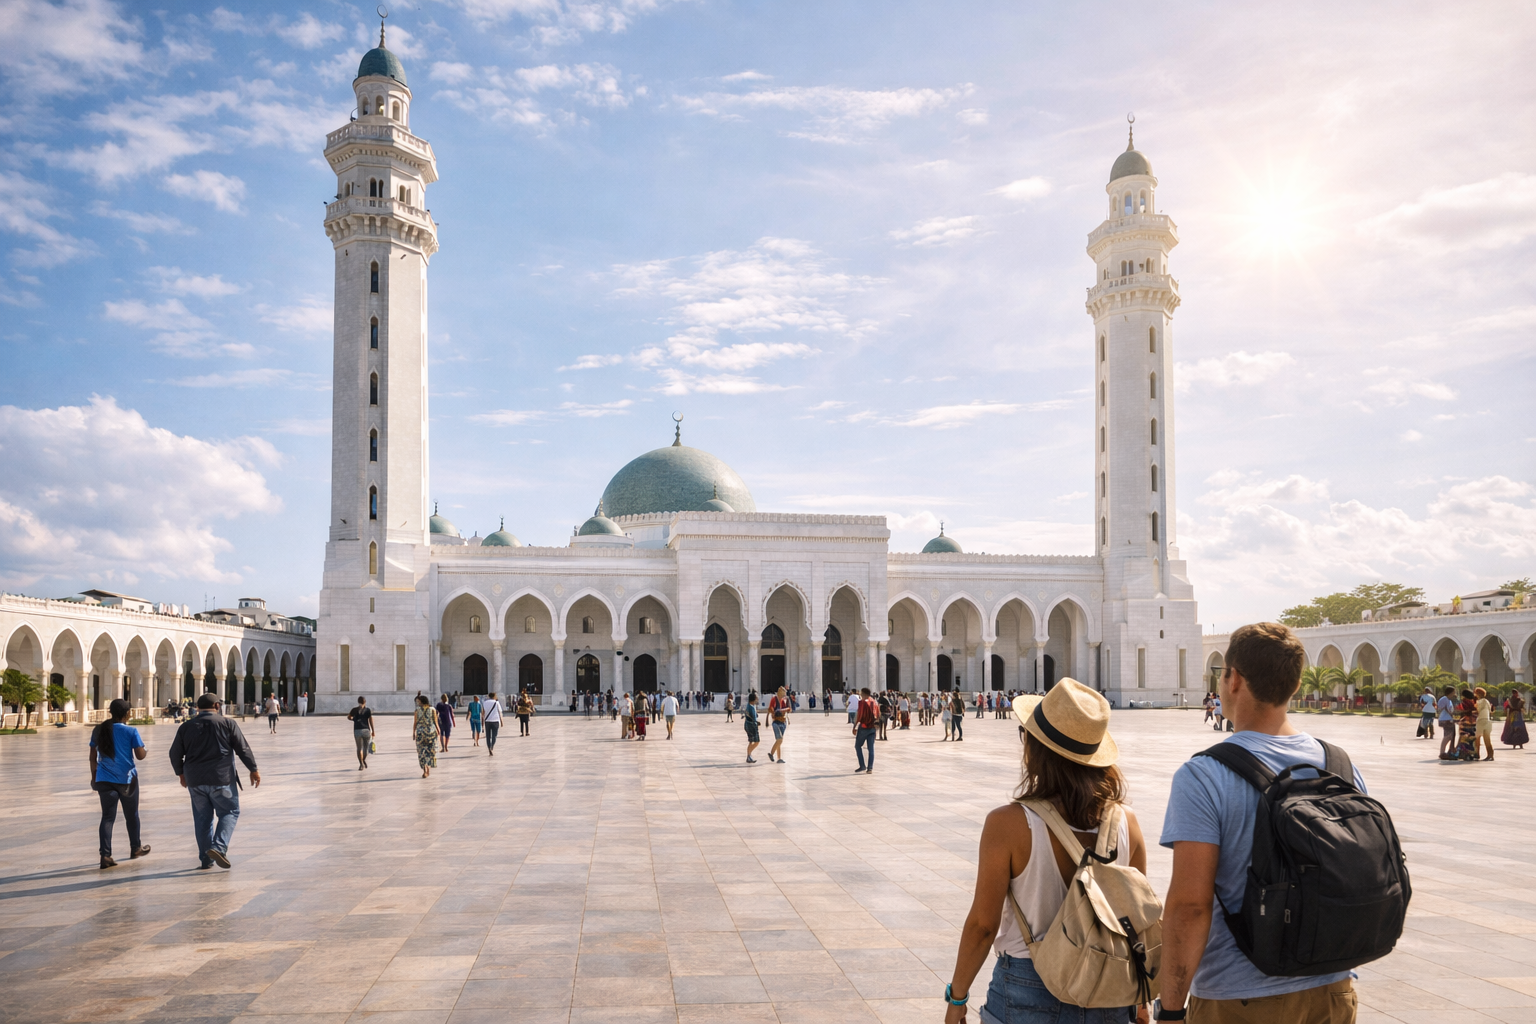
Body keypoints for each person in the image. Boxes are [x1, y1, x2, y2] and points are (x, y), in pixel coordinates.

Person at [1159, 622, 1364, 1024]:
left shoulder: (1204, 775)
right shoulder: (1340, 765)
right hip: (1332, 990)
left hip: (1239, 999)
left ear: (1233, 679)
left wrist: (1170, 1009)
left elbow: (1190, 907)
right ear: (1296, 684)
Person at [943, 680, 1146, 1024]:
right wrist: (1141, 1001)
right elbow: (1135, 920)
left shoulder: (1008, 824)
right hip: (1108, 990)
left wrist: (957, 997)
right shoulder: (1127, 822)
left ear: (1037, 749)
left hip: (1026, 987)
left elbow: (983, 925)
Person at [168, 692, 260, 870]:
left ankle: (206, 858)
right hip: (221, 778)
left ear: (197, 708)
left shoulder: (186, 727)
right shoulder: (227, 723)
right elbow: (242, 748)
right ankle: (218, 847)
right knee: (230, 811)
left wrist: (181, 774)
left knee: (202, 818)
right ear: (217, 706)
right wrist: (253, 769)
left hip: (195, 780)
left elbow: (174, 753)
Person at [90, 698, 149, 869]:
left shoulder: (99, 730)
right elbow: (140, 756)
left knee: (107, 817)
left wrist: (94, 777)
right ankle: (135, 848)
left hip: (104, 778)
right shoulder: (131, 731)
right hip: (126, 780)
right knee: (132, 815)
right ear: (127, 713)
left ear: (110, 712)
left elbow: (92, 757)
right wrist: (145, 749)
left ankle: (105, 855)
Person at [413, 694, 439, 777]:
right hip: (431, 734)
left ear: (421, 702)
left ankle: (425, 770)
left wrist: (413, 732)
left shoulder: (417, 711)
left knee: (421, 753)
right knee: (430, 752)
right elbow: (435, 722)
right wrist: (438, 730)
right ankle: (427, 769)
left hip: (420, 734)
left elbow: (415, 722)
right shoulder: (432, 709)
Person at [853, 687, 878, 774]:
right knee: (871, 748)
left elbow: (859, 715)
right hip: (873, 728)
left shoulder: (862, 703)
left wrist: (855, 726)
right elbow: (878, 714)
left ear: (864, 694)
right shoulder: (874, 702)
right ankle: (870, 768)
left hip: (864, 727)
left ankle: (862, 765)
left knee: (857, 746)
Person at [348, 696, 375, 770]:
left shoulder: (354, 710)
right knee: (366, 748)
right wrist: (373, 731)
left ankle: (361, 764)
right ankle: (363, 760)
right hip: (366, 730)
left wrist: (354, 719)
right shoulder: (368, 710)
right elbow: (370, 720)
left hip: (357, 730)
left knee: (359, 748)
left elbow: (349, 717)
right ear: (365, 702)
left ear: (358, 702)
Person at [767, 686, 790, 764]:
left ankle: (779, 758)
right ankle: (771, 753)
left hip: (783, 722)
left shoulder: (783, 700)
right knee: (780, 739)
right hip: (776, 722)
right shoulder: (774, 699)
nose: (784, 694)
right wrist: (774, 712)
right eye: (783, 692)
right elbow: (771, 708)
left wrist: (783, 710)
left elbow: (788, 709)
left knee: (779, 741)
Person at [1436, 685, 1457, 758]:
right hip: (1446, 719)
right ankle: (1442, 752)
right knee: (1447, 736)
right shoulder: (1445, 699)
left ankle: (1449, 751)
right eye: (1453, 692)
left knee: (1450, 736)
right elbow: (1447, 709)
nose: (1454, 694)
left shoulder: (1448, 700)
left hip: (1448, 719)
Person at [1474, 687, 1494, 761]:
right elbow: (1490, 711)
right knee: (1487, 740)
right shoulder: (1487, 701)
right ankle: (1490, 755)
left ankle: (1477, 754)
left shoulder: (1480, 701)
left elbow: (1477, 710)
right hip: (1487, 721)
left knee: (1477, 739)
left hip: (1480, 721)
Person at [743, 690, 761, 763]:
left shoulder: (749, 705)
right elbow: (753, 718)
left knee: (751, 741)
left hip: (748, 725)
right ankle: (749, 755)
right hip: (751, 726)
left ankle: (749, 756)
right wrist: (756, 723)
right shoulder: (751, 707)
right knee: (757, 741)